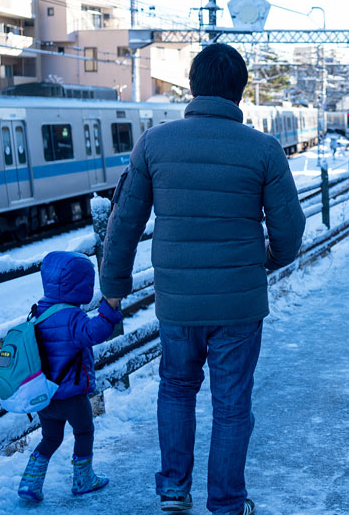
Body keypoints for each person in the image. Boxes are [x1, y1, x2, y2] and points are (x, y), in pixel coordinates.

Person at [99, 43, 305, 515]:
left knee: (176, 388)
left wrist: (113, 290)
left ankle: (174, 491)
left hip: (178, 302)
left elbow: (123, 222)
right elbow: (290, 232)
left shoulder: (154, 143)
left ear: (193, 86)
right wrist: (266, 261)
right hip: (238, 305)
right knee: (232, 404)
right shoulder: (264, 149)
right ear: (240, 89)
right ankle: (228, 502)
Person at [17, 251, 123, 503]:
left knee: (50, 437)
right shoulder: (72, 317)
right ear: (81, 284)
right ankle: (83, 479)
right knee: (84, 431)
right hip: (71, 394)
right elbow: (94, 332)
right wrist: (109, 308)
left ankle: (30, 482)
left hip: (46, 395)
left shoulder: (38, 311)